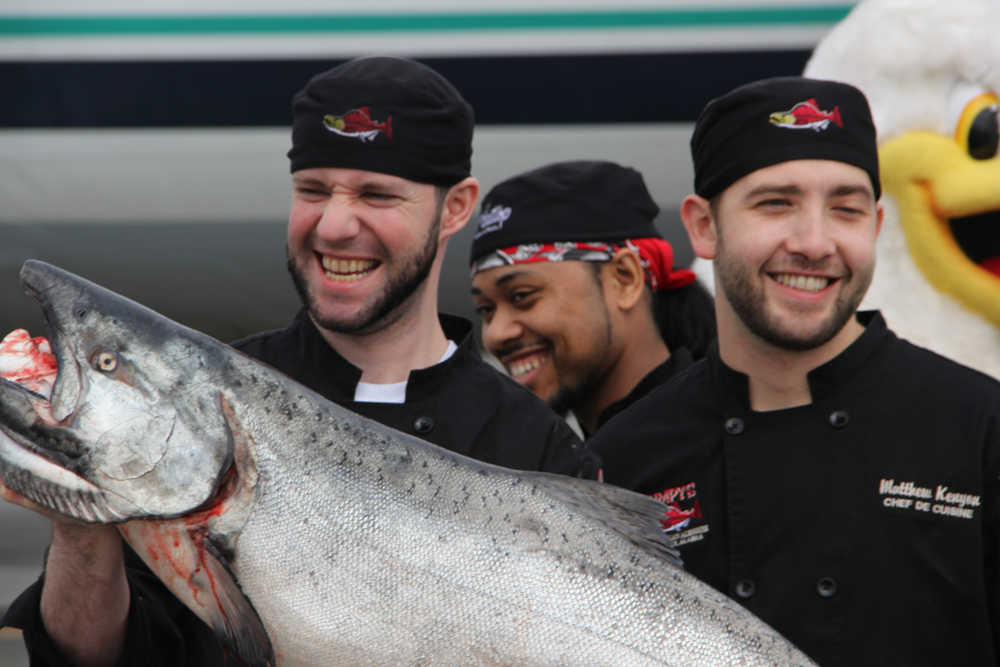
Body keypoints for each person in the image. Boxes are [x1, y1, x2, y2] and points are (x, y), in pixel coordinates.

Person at [1, 56, 590, 667]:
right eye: (313, 190)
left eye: (377, 195)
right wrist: (77, 522)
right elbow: (89, 657)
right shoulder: (188, 409)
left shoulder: (536, 447)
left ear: (457, 208)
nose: (334, 226)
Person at [588, 76, 1000, 665]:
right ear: (703, 226)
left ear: (877, 228)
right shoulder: (628, 458)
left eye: (846, 209)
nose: (814, 242)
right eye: (776, 203)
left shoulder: (980, 428)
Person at [468, 160, 715, 437]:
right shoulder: (562, 457)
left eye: (522, 296)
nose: (497, 334)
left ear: (625, 278)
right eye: (485, 310)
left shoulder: (716, 438)